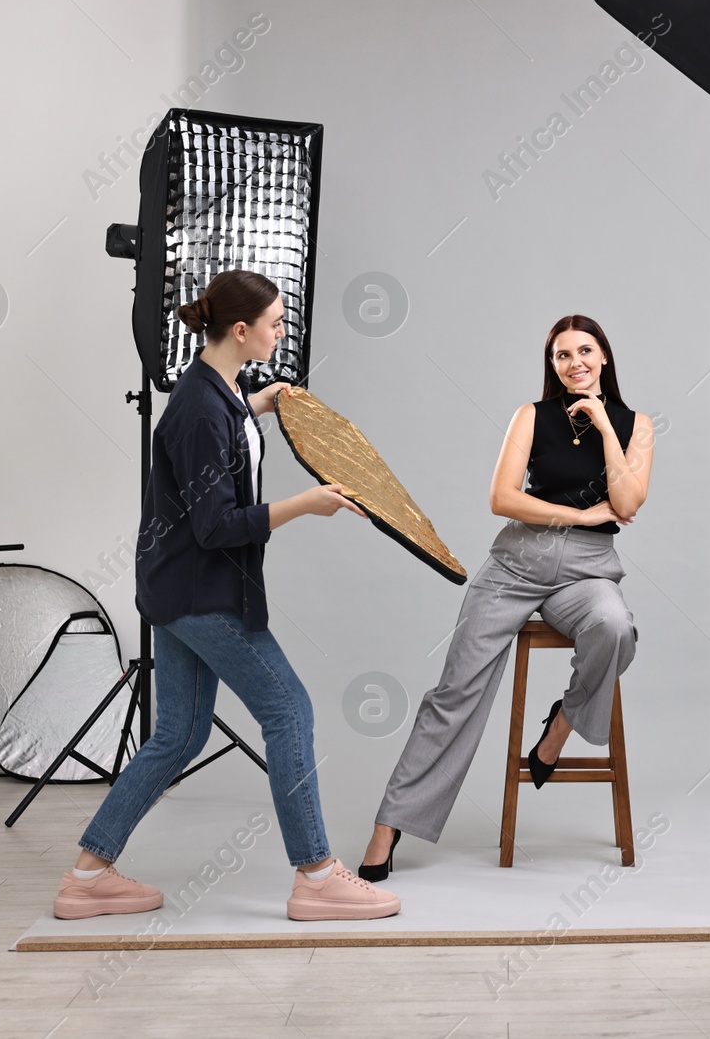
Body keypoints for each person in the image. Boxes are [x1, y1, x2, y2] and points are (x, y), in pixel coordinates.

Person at [52, 269, 400, 923]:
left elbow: (221, 443)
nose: (283, 331)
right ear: (241, 332)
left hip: (176, 587)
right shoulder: (200, 412)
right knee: (289, 710)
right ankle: (317, 877)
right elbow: (214, 526)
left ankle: (86, 878)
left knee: (178, 736)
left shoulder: (219, 389)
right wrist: (305, 504)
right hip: (199, 593)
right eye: (275, 323)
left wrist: (259, 404)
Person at [359, 314, 654, 879]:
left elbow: (629, 501)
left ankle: (559, 729)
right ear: (552, 365)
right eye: (562, 356)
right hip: (516, 564)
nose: (576, 363)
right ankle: (388, 827)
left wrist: (604, 425)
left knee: (615, 627)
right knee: (455, 691)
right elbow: (502, 497)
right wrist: (576, 514)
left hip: (587, 572)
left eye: (585, 351)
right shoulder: (532, 415)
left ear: (605, 357)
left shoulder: (636, 425)